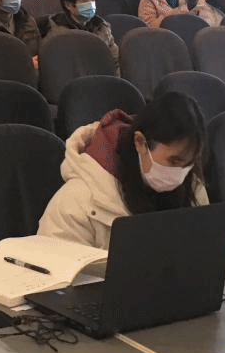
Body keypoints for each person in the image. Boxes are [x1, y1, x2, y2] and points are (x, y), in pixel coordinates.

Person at [37, 92, 209, 249]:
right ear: (140, 142)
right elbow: (54, 266)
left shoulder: (192, 188)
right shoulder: (76, 202)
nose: (180, 173)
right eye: (174, 161)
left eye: (189, 164)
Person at [45, 0, 120, 69]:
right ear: (68, 5)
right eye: (84, 1)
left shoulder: (101, 27)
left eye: (93, 0)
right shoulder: (57, 35)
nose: (91, 5)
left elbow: (115, 60)